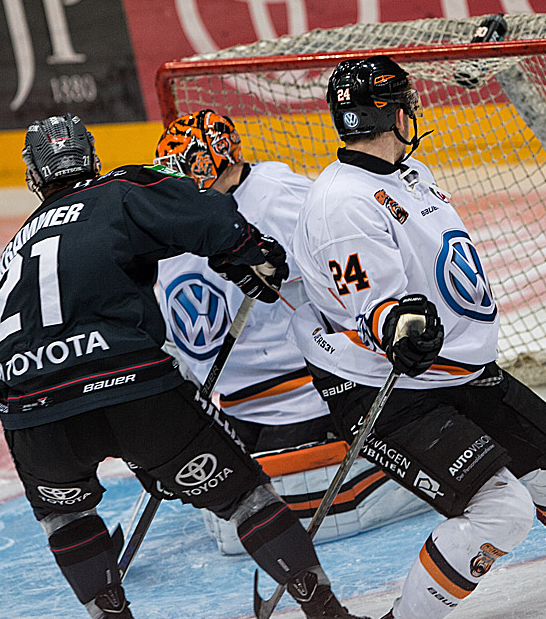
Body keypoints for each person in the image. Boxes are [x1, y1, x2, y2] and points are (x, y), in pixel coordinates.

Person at [287, 57, 546, 619]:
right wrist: (396, 324)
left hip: (453, 368)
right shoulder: (343, 204)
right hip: (385, 390)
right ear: (392, 111)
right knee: (502, 511)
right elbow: (376, 307)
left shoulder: (408, 172)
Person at [0, 113, 372, 619]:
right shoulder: (117, 190)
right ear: (89, 158)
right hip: (129, 381)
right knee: (244, 498)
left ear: (33, 176)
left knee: (65, 517)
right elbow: (200, 207)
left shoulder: (17, 245)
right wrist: (246, 251)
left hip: (28, 403)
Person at [152, 109, 432, 555]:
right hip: (230, 401)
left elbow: (349, 263)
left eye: (197, 168)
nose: (188, 182)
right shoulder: (175, 215)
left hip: (300, 392)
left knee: (265, 511)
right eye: (179, 173)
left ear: (223, 157)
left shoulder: (280, 194)